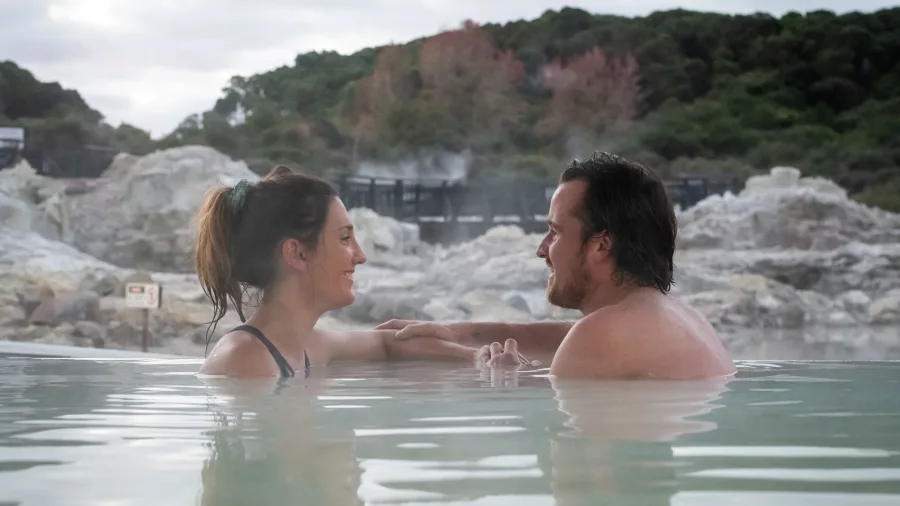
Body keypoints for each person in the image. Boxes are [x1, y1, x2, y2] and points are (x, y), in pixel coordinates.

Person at [378, 152, 736, 380]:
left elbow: (545, 412)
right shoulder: (682, 315)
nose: (541, 250)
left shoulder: (600, 335)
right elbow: (559, 335)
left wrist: (495, 374)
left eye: (554, 232)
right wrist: (456, 332)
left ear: (601, 245)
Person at [194, 165, 525, 378]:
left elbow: (387, 345)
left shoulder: (304, 346)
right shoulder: (246, 361)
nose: (361, 256)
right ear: (296, 252)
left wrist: (477, 359)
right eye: (344, 239)